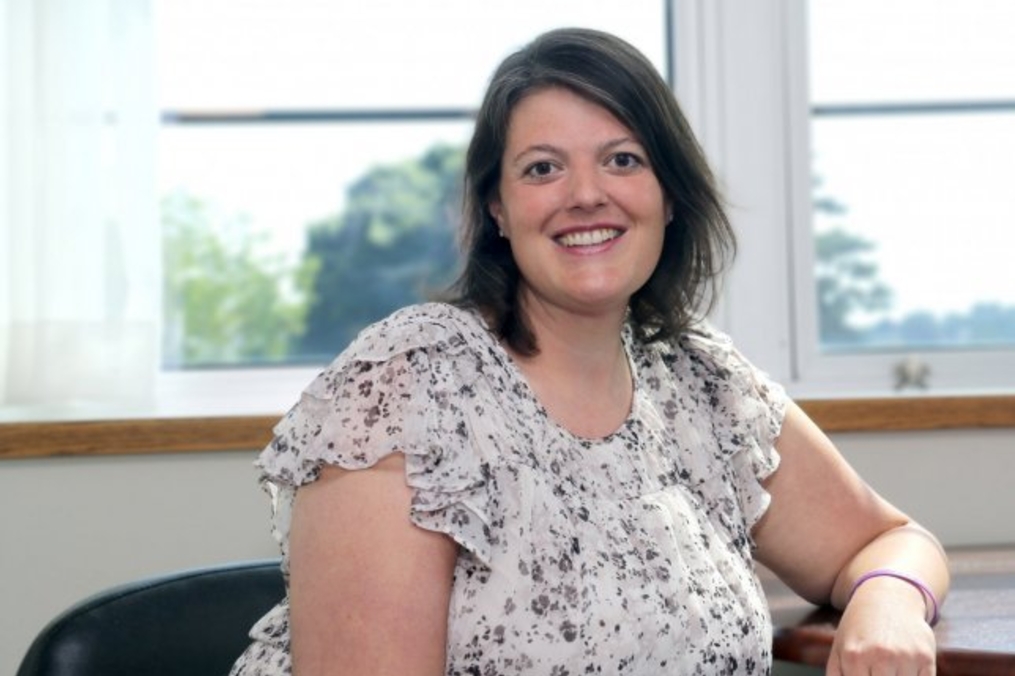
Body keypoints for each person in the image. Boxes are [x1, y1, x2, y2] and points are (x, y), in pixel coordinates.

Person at [230, 27, 949, 676]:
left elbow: (890, 541)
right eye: (542, 169)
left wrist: (886, 603)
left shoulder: (701, 382)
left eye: (622, 160)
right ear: (497, 210)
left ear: (668, 196)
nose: (585, 195)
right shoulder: (404, 388)